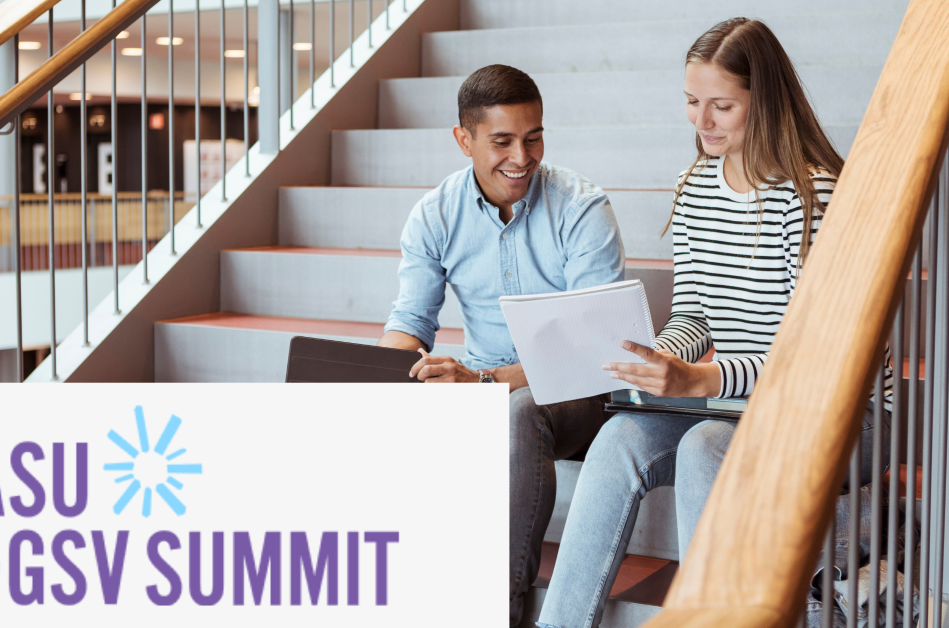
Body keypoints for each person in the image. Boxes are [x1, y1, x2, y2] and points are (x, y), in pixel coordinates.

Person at [536, 18, 890, 628]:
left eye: (721, 106)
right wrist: (655, 359)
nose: (702, 123)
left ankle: (712, 618)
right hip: (740, 404)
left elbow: (814, 360)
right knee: (618, 438)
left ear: (765, 100)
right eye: (693, 103)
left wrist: (702, 381)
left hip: (836, 412)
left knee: (704, 445)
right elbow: (696, 313)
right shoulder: (696, 185)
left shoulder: (811, 197)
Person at [375, 64, 626, 626]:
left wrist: (485, 382)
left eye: (533, 137)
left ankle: (502, 602)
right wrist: (378, 380)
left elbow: (595, 344)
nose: (522, 156)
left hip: (576, 392)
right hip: (483, 381)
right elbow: (411, 321)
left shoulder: (582, 208)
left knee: (517, 409)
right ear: (464, 139)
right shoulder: (435, 215)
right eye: (503, 141)